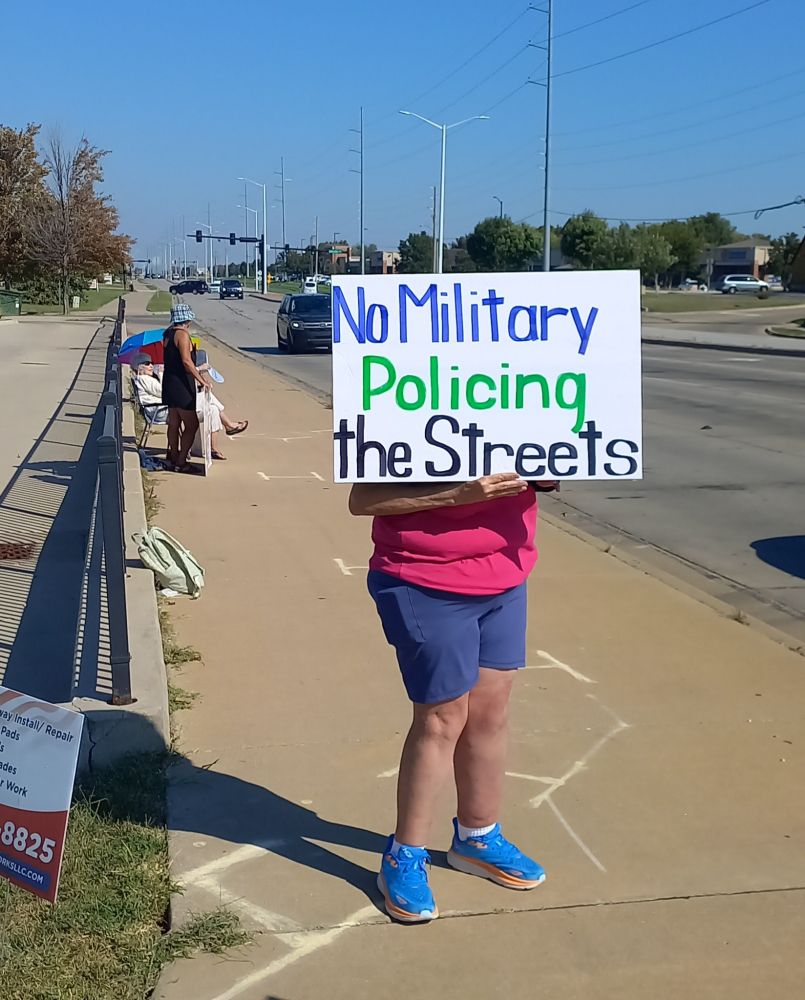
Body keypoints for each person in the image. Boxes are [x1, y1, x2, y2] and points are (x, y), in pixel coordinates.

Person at [349, 473, 558, 923]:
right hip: (424, 578)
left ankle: (476, 837)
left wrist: (546, 467)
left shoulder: (521, 405)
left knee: (490, 714)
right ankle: (403, 855)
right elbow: (362, 499)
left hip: (505, 572)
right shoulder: (392, 410)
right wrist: (457, 494)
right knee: (443, 719)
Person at [132, 356, 247, 461]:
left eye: (152, 363)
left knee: (212, 409)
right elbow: (165, 392)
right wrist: (163, 374)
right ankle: (229, 425)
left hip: (165, 407)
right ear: (139, 366)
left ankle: (214, 448)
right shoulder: (143, 378)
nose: (151, 366)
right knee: (209, 397)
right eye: (147, 363)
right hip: (161, 410)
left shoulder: (147, 379)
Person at [160, 304, 207, 473]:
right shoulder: (182, 335)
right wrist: (202, 380)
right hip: (181, 384)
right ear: (187, 319)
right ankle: (181, 462)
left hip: (169, 382)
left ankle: (173, 457)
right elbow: (187, 362)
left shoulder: (167, 334)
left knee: (174, 423)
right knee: (191, 424)